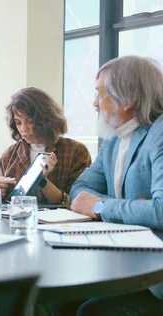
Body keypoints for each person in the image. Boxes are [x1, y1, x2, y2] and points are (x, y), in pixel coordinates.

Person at [58, 56, 163, 315]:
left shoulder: (159, 134)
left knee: (92, 312)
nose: (94, 103)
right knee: (61, 300)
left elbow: (160, 211)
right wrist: (129, 208)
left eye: (100, 94)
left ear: (128, 99)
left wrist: (103, 206)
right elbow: (80, 189)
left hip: (156, 278)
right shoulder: (114, 139)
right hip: (128, 263)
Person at [0, 87, 92, 205]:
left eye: (30, 121)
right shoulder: (9, 155)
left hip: (61, 222)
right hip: (18, 221)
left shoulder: (75, 152)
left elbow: (77, 202)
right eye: (18, 122)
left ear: (46, 120)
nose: (23, 129)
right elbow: (5, 205)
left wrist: (43, 181)